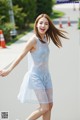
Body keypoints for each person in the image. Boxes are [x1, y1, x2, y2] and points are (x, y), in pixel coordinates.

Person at [0, 13, 67, 120]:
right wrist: (8, 70)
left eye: (46, 23)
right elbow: (20, 56)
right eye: (41, 23)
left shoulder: (45, 38)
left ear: (48, 26)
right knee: (44, 107)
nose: (43, 25)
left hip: (47, 77)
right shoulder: (33, 40)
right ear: (36, 24)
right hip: (36, 77)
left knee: (50, 106)